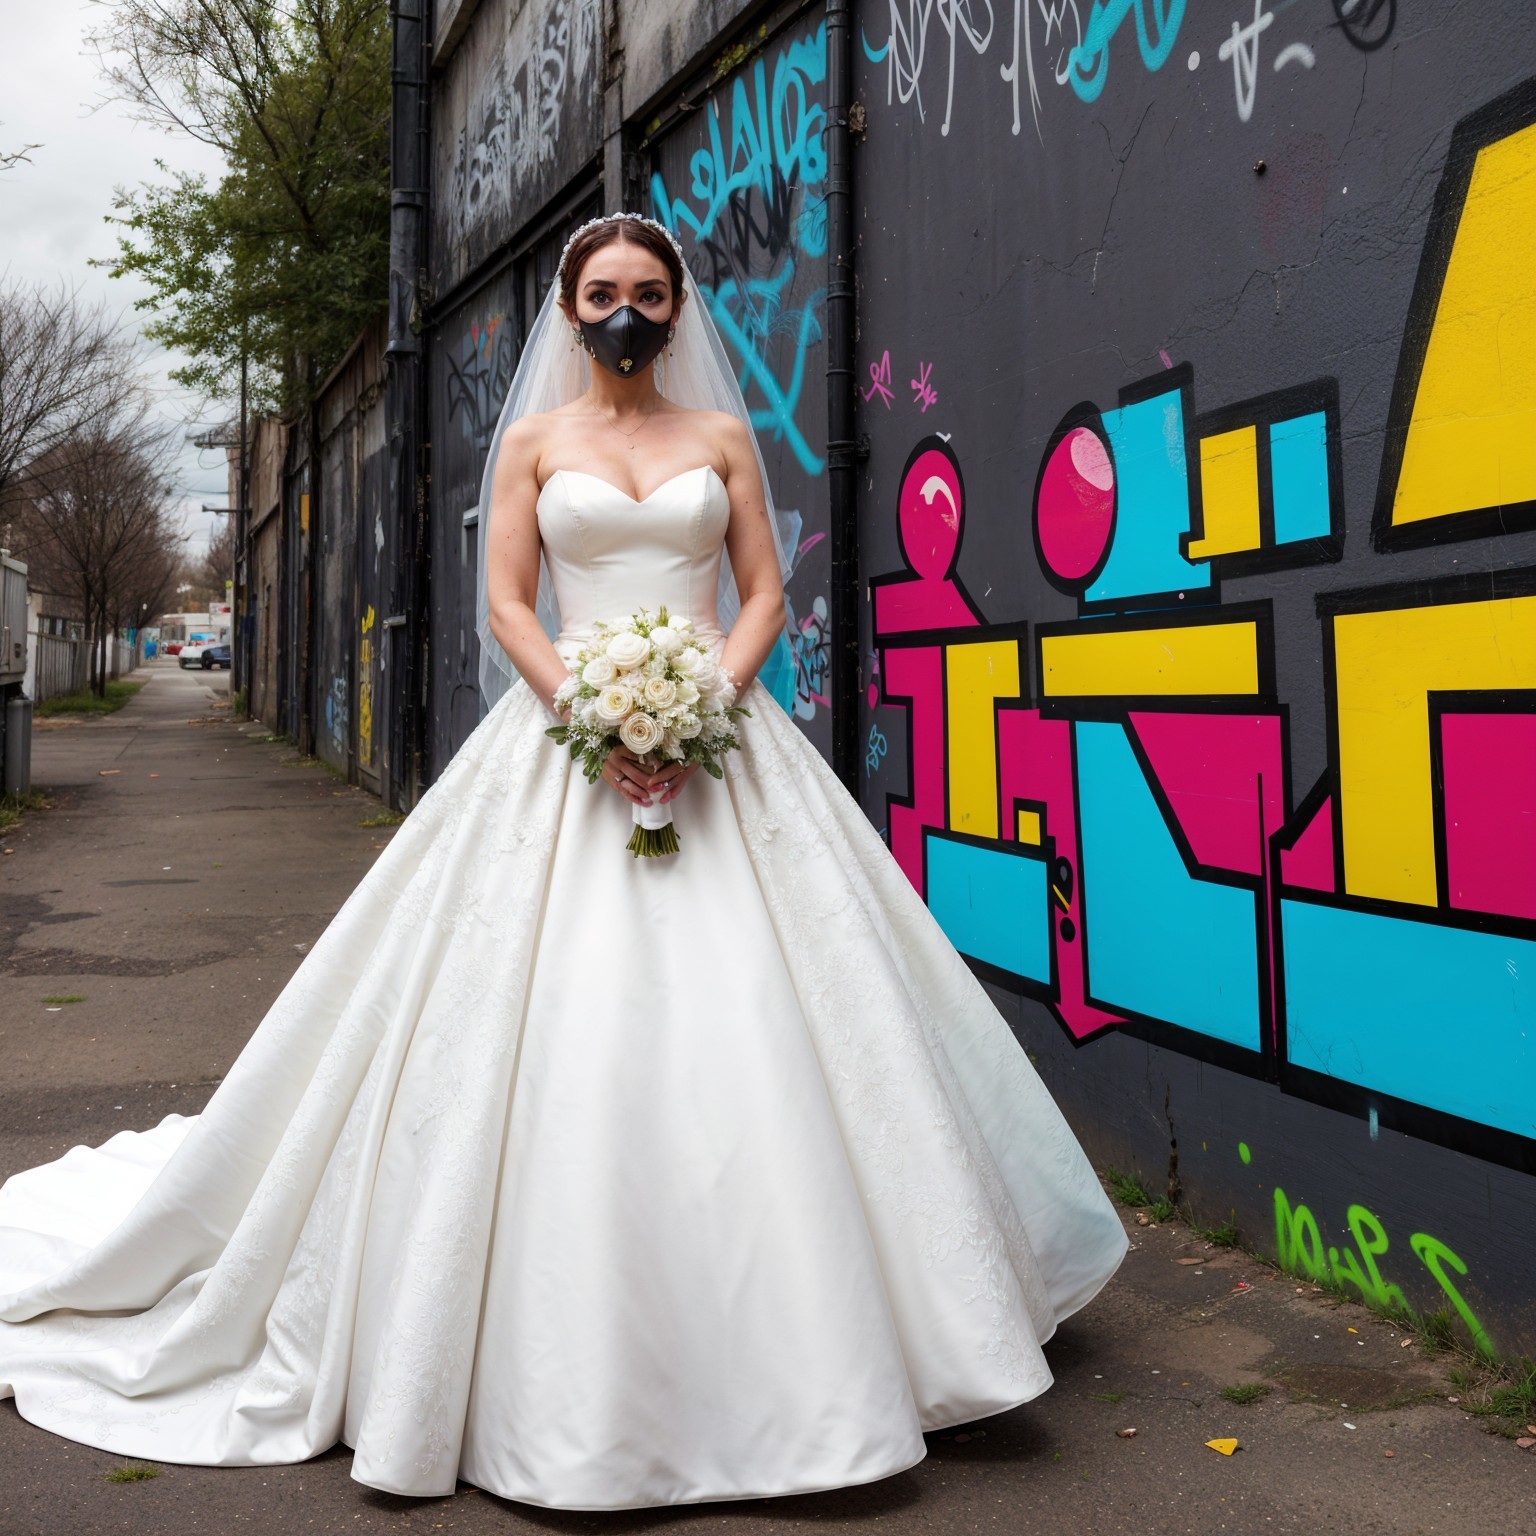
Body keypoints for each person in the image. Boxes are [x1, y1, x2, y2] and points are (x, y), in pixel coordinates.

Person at [0, 213, 1128, 1512]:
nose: (627, 313)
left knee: (796, 1029)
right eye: (603, 292)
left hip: (720, 741)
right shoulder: (535, 443)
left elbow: (760, 591)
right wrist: (591, 716)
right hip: (566, 740)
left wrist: (703, 703)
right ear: (570, 305)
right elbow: (507, 607)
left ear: (678, 304)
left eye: (649, 292)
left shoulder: (719, 441)